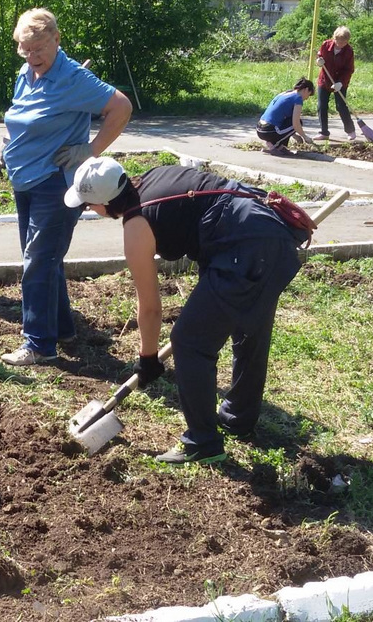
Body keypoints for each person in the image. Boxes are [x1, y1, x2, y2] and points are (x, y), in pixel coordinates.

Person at [63, 157, 309, 463]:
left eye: (89, 205)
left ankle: (202, 442)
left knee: (190, 341)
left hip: (246, 248)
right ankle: (238, 420)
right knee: (249, 325)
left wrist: (148, 358)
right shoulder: (153, 177)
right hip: (267, 232)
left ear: (105, 202)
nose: (90, 210)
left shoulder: (136, 226)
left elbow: (151, 307)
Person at [0, 8, 132, 366]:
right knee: (45, 258)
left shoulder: (73, 78)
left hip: (54, 184)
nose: (32, 56)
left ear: (57, 39)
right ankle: (62, 328)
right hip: (24, 178)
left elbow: (121, 107)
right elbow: (20, 118)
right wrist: (7, 145)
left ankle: (39, 345)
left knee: (38, 262)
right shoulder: (26, 74)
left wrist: (89, 149)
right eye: (25, 49)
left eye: (39, 48)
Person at [313, 26, 355, 142]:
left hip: (340, 82)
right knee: (322, 106)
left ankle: (350, 130)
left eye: (344, 42)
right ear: (334, 38)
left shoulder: (349, 51)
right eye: (339, 41)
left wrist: (341, 83)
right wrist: (319, 61)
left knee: (341, 106)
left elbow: (349, 70)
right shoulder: (326, 45)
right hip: (325, 80)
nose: (341, 44)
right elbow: (320, 56)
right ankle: (324, 132)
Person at [256, 78, 315, 155]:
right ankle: (273, 146)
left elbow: (288, 123)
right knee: (299, 122)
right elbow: (296, 124)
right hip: (268, 130)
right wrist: (305, 137)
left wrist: (295, 135)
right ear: (306, 89)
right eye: (309, 95)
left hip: (260, 127)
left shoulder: (286, 93)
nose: (307, 98)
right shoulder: (298, 99)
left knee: (290, 122)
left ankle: (280, 147)